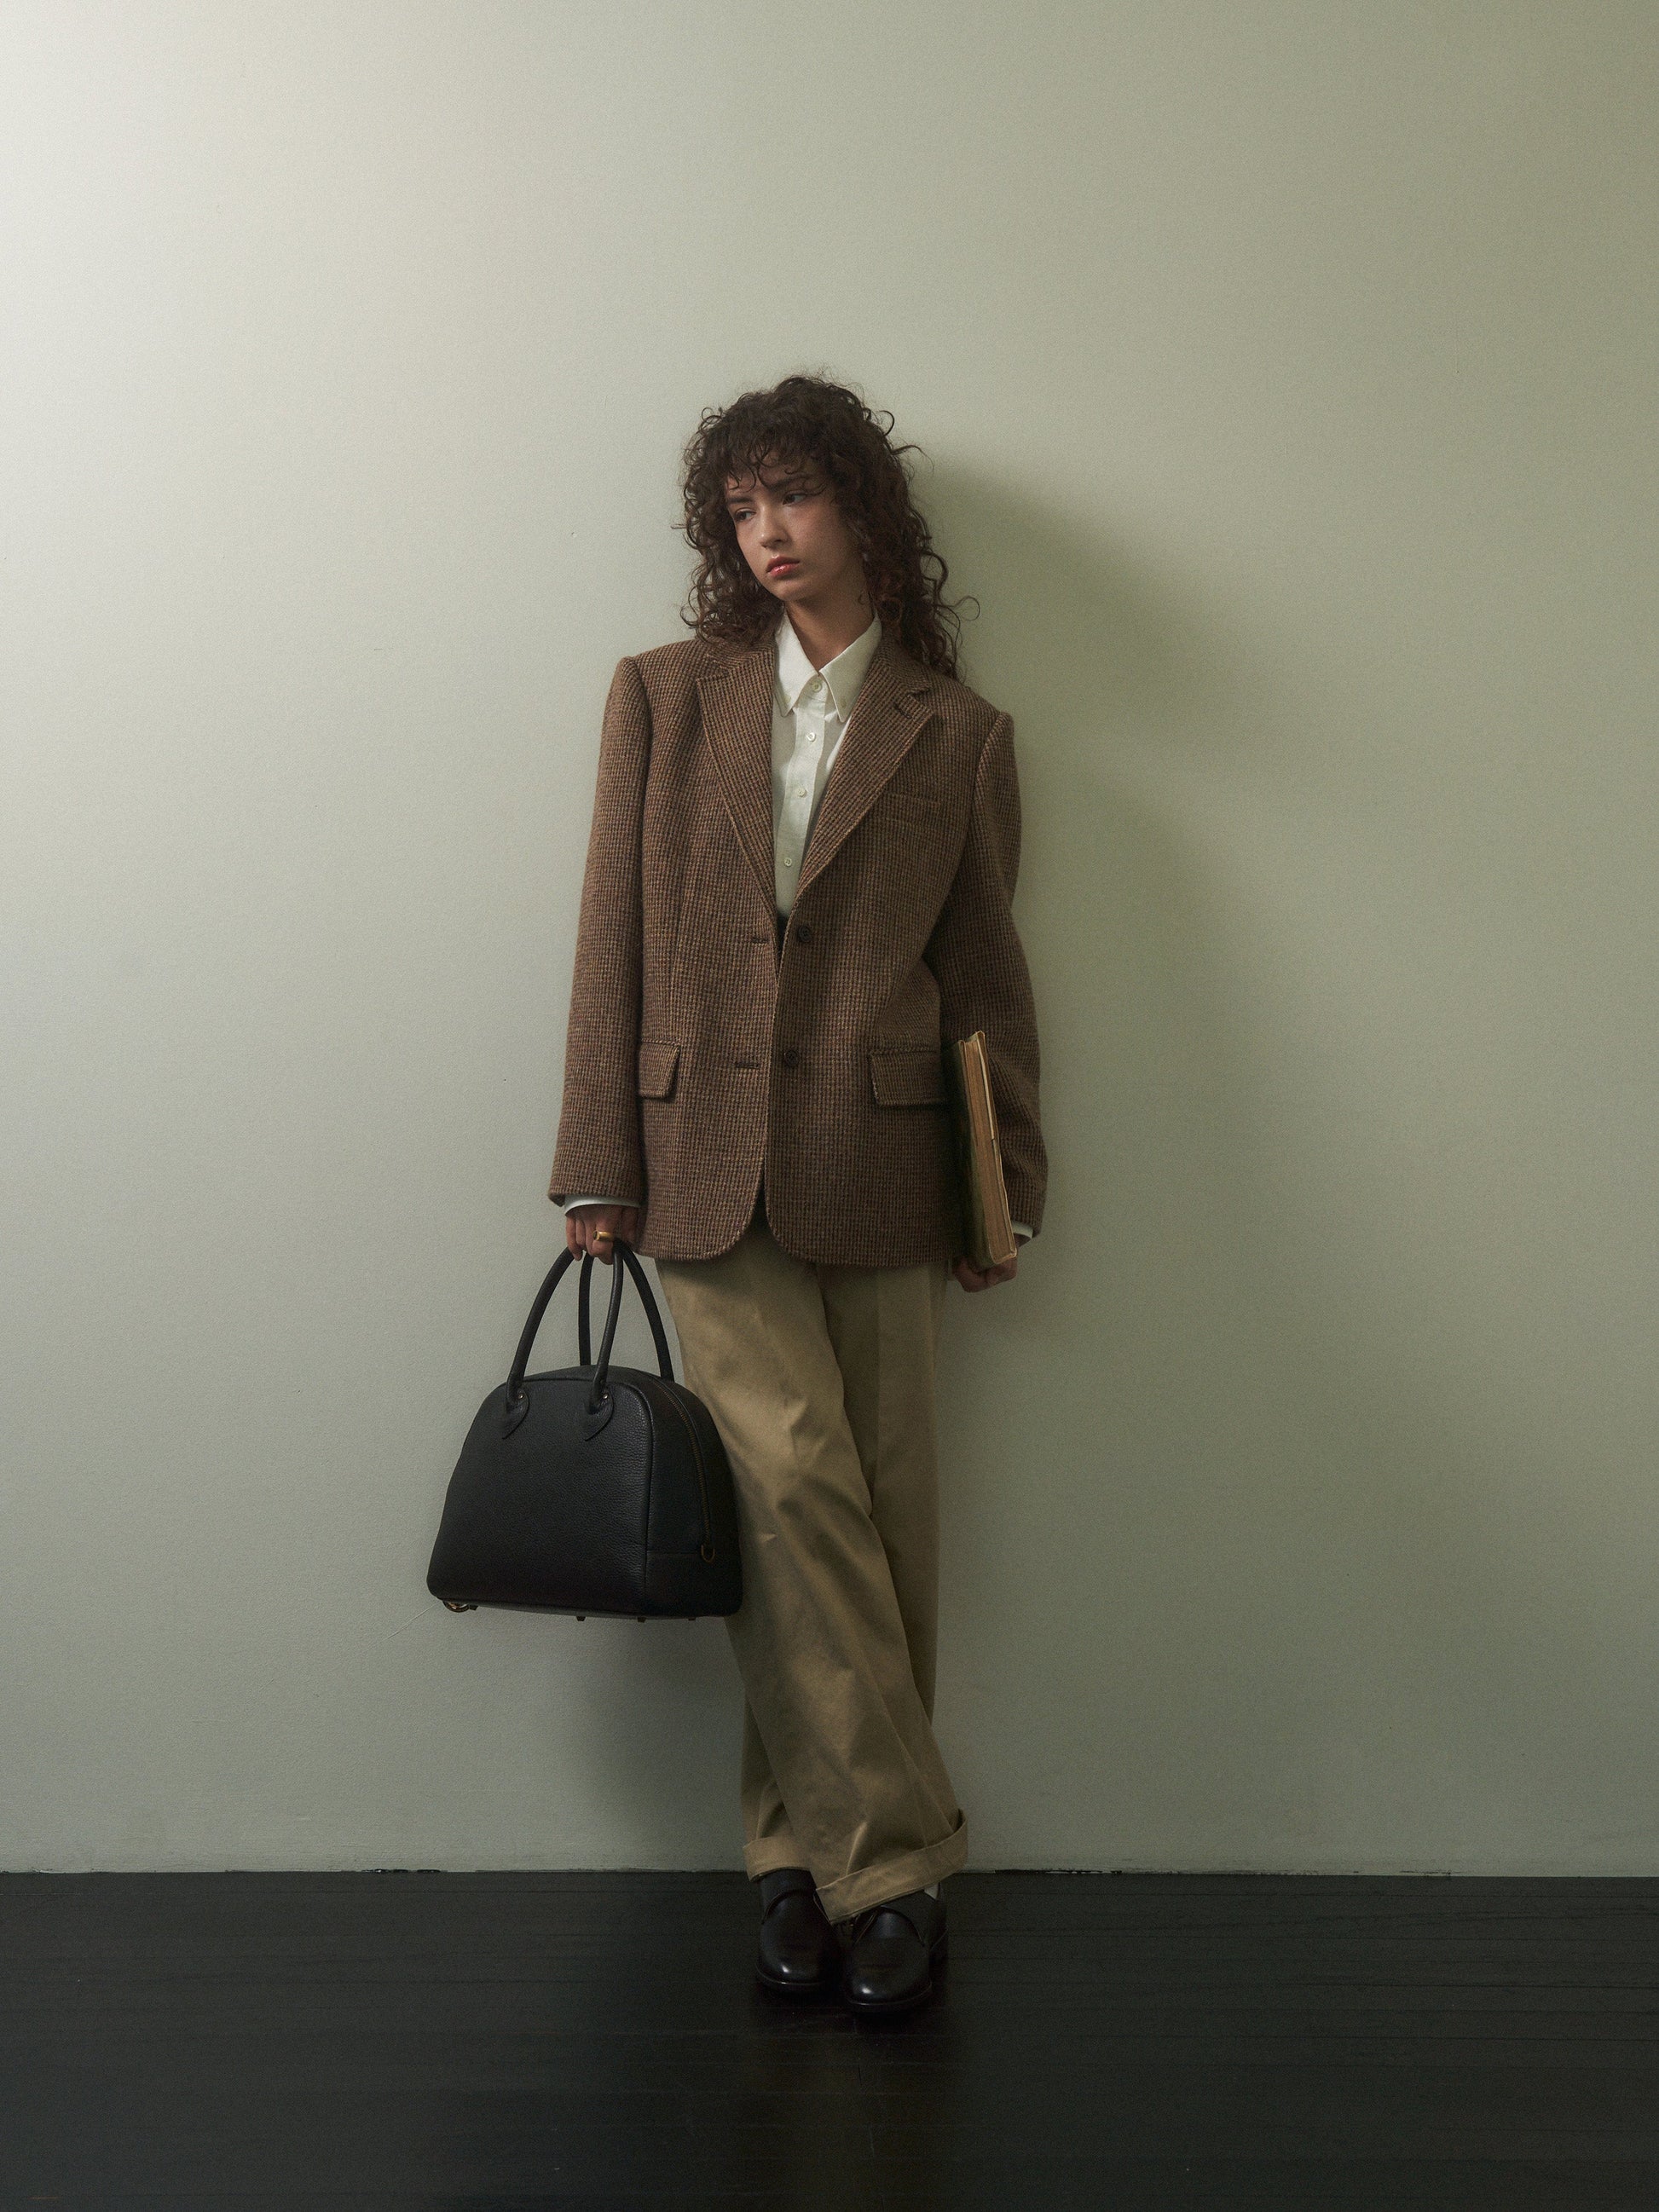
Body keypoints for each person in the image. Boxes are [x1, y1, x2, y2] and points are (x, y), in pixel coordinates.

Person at [546, 372, 1046, 2014]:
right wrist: (594, 1161)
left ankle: (788, 1856)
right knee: (790, 1491)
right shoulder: (662, 696)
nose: (766, 530)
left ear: (864, 512)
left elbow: (986, 979)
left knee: (879, 1521)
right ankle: (895, 1865)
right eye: (740, 506)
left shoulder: (957, 733)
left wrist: (1004, 1187)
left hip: (891, 1161)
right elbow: (609, 938)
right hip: (695, 1155)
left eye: (794, 496)